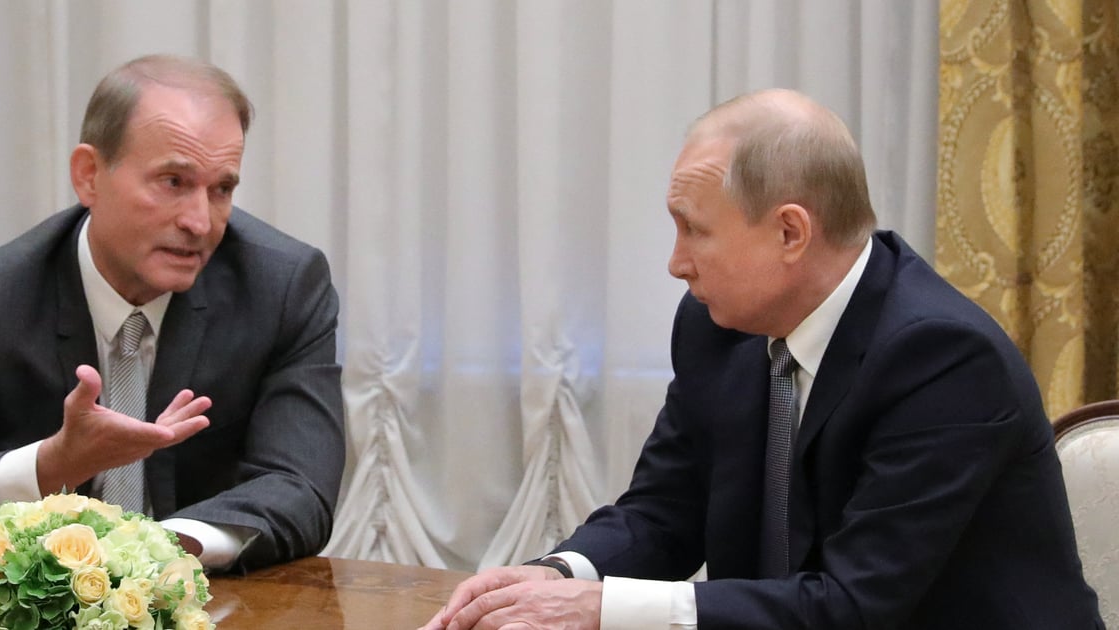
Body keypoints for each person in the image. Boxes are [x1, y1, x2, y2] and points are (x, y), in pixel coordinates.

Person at [423, 89, 1102, 629]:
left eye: (695, 230)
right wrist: (558, 576)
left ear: (789, 232)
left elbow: (853, 605)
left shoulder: (943, 358)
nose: (676, 263)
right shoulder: (717, 328)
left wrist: (601, 610)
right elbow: (665, 511)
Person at [0, 54, 344, 573]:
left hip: (210, 598)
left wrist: (158, 552)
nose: (199, 222)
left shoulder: (283, 288)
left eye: (222, 189)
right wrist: (52, 464)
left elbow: (301, 486)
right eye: (173, 182)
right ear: (89, 176)